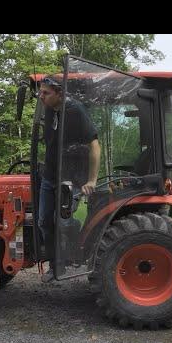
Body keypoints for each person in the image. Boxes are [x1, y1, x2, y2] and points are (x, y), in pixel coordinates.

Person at [37, 76, 100, 283]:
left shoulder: (76, 111)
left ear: (59, 93)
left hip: (71, 178)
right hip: (50, 177)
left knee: (62, 222)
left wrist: (91, 180)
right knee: (44, 220)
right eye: (41, 92)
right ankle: (56, 265)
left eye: (46, 93)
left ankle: (75, 248)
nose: (41, 96)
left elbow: (94, 145)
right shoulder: (48, 110)